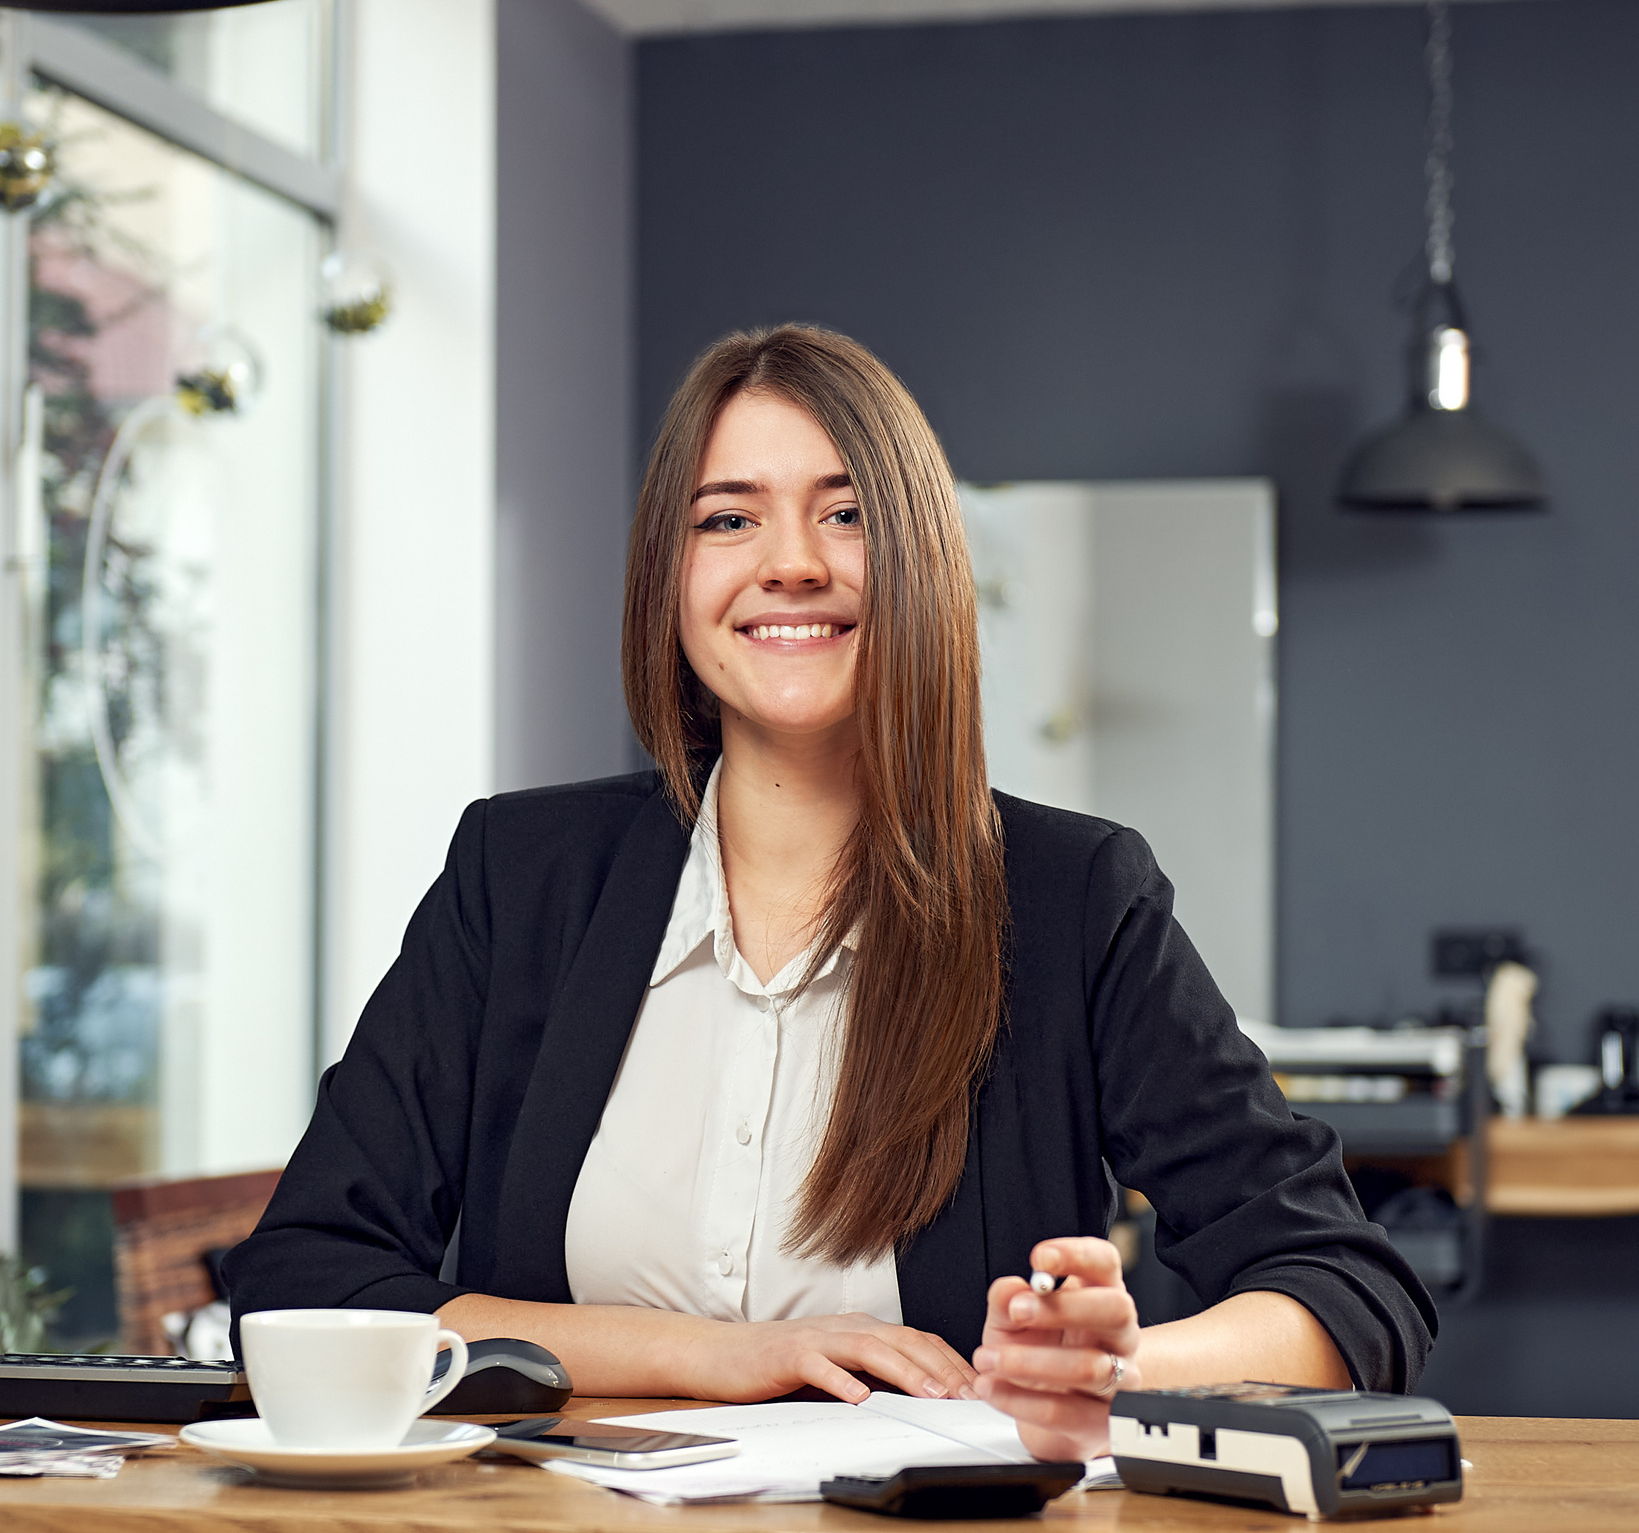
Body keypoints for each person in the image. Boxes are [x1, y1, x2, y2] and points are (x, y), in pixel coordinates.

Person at [223, 325, 1432, 1460]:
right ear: (669, 576)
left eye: (845, 515)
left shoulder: (1072, 902)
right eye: (728, 518)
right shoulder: (520, 876)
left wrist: (1104, 1374)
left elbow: (1347, 1289)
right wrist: (717, 1358)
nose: (790, 564)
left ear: (917, 561)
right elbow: (309, 1277)